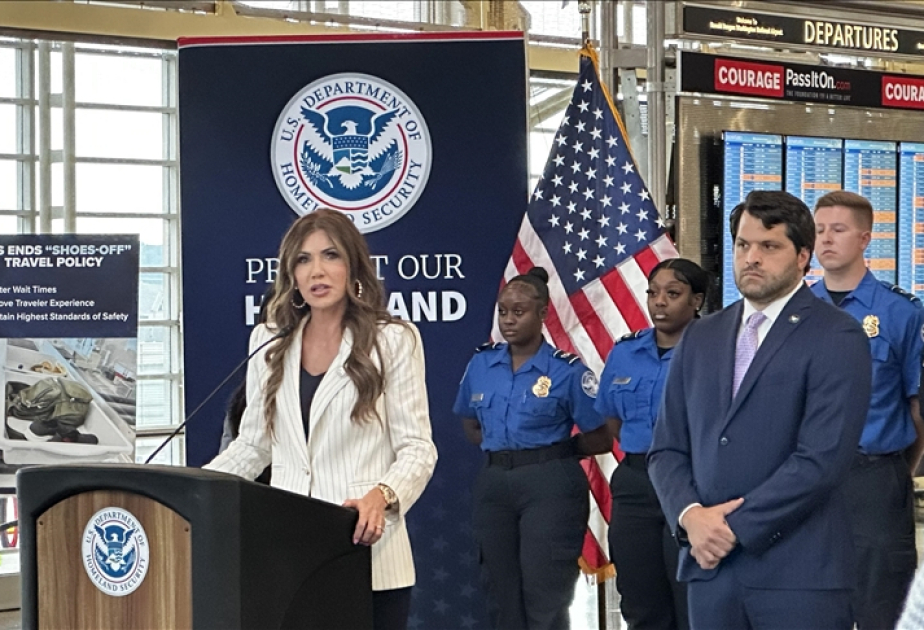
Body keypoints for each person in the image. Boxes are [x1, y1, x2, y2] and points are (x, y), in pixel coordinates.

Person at [648, 190, 872, 630]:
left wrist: (730, 528)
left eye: (769, 246)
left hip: (798, 577)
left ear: (803, 256)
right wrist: (691, 517)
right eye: (742, 245)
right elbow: (667, 448)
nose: (751, 258)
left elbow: (822, 459)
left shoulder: (836, 335)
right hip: (711, 573)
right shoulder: (701, 336)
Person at [205, 208, 437, 630]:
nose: (317, 270)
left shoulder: (393, 340)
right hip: (287, 559)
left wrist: (382, 495)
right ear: (291, 274)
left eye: (330, 255)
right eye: (303, 259)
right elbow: (252, 447)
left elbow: (418, 448)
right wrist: (196, 490)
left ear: (353, 265)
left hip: (367, 552)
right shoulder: (269, 340)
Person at [453, 267, 611, 630]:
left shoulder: (566, 371)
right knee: (499, 591)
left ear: (542, 314)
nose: (508, 320)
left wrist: (555, 452)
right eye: (503, 311)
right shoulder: (482, 364)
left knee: (546, 592)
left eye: (519, 311)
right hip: (495, 482)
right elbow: (470, 423)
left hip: (550, 485)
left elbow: (601, 436)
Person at [810, 190, 924, 629]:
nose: (826, 239)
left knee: (881, 607)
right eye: (819, 230)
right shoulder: (798, 311)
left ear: (864, 238)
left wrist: (894, 469)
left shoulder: (901, 313)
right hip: (806, 477)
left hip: (874, 477)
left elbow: (917, 406)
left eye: (838, 230)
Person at [596, 258, 708, 630]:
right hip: (636, 481)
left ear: (696, 300)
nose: (659, 302)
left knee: (691, 598)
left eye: (672, 293)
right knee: (640, 597)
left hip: (693, 482)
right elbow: (613, 420)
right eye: (653, 293)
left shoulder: (715, 352)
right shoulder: (625, 352)